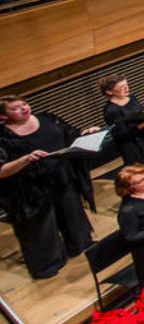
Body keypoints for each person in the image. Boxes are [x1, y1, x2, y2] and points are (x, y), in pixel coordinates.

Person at [0, 96, 95, 278]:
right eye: (15, 108)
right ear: (3, 116)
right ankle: (49, 263)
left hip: (61, 176)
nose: (23, 109)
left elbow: (71, 135)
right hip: (30, 190)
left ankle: (80, 244)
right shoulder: (3, 136)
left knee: (72, 214)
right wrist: (25, 159)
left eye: (24, 104)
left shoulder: (47, 118)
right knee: (42, 227)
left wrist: (86, 133)